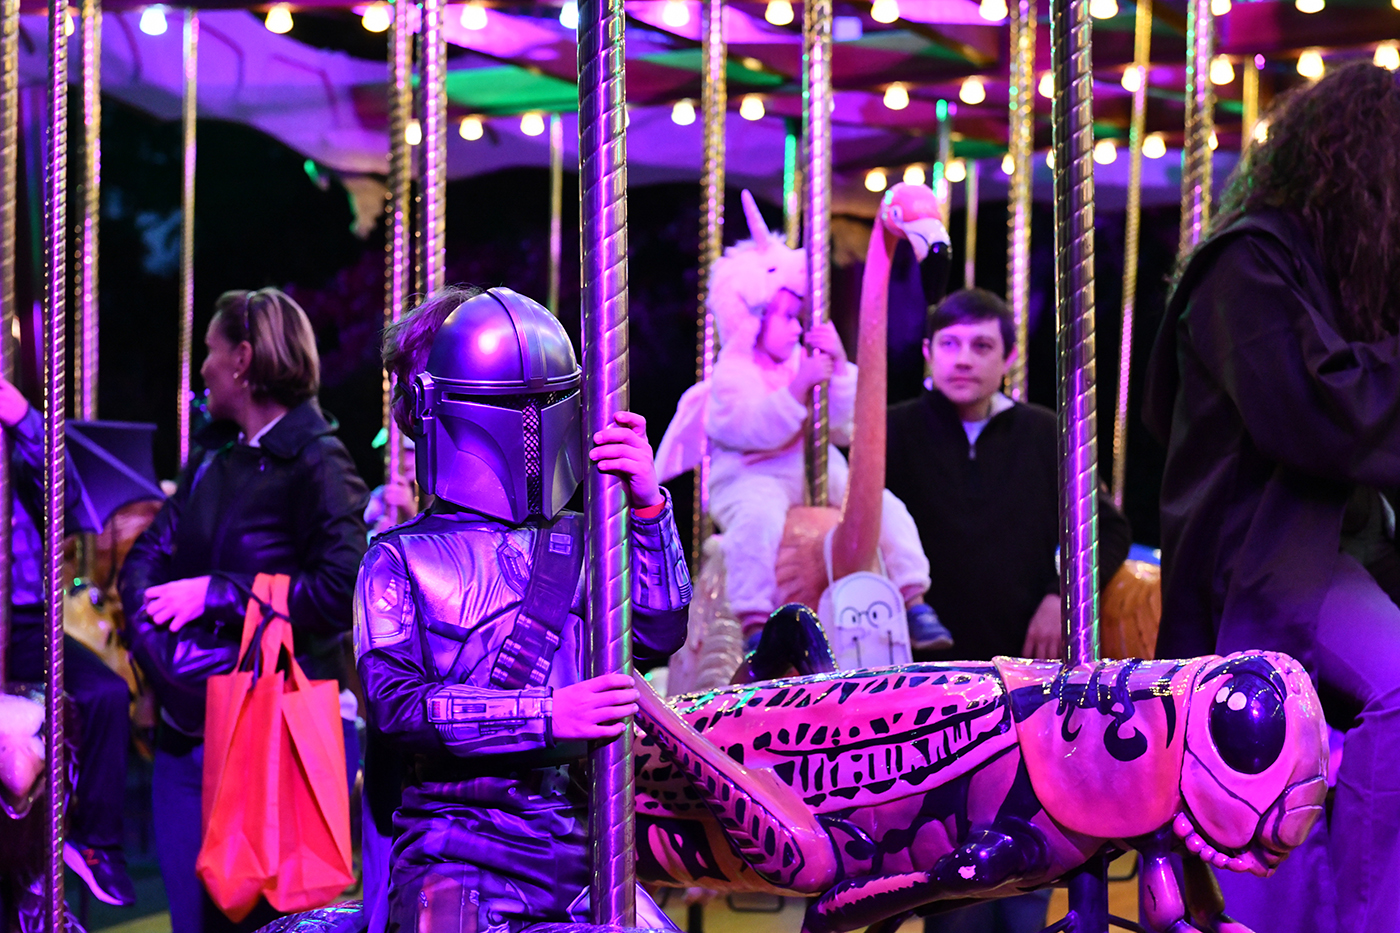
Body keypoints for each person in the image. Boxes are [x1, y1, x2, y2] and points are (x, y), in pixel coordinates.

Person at [1142, 62, 1400, 933]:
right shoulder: (1246, 265)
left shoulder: (1310, 269)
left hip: (1318, 556)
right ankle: (1371, 913)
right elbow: (1315, 412)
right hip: (1260, 561)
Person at [355, 286, 691, 933]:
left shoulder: (581, 540)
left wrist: (649, 506)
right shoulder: (398, 559)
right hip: (460, 852)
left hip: (581, 848)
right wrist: (549, 712)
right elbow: (396, 704)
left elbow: (656, 630)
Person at [119, 288, 370, 933]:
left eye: (209, 350)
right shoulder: (212, 455)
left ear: (243, 359)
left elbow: (342, 589)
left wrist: (218, 591)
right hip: (188, 734)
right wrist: (169, 668)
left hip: (272, 734)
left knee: (267, 924)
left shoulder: (318, 460)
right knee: (190, 921)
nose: (201, 366)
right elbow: (145, 560)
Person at [886, 288, 1130, 933]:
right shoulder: (895, 431)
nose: (963, 359)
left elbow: (1105, 524)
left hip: (1025, 670)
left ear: (1008, 358)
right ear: (927, 353)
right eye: (950, 344)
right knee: (947, 860)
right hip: (927, 678)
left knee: (1030, 838)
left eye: (981, 345)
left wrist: (1060, 592)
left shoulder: (1044, 432)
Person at [699, 192, 947, 651]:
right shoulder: (734, 371)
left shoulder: (802, 358)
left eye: (800, 317)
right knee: (755, 524)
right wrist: (797, 390)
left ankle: (914, 596)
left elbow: (846, 427)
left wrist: (837, 368)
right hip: (753, 476)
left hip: (809, 469)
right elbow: (747, 429)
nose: (797, 329)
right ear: (752, 319)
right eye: (787, 317)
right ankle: (755, 621)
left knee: (884, 505)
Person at [0, 376, 136, 907]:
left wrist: (23, 422)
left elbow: (71, 507)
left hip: (25, 618)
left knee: (106, 694)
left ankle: (97, 842)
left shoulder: (19, 432)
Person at [364, 434, 419, 535]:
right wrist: (376, 535)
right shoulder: (381, 495)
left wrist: (411, 510)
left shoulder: (437, 497)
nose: (405, 461)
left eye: (410, 452)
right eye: (401, 453)